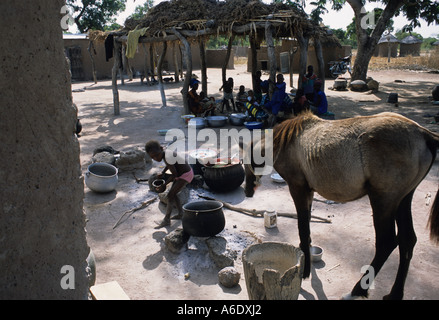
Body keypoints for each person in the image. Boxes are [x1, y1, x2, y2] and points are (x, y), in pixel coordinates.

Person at [145, 140, 194, 229]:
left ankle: (167, 220)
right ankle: (180, 214)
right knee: (172, 194)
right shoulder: (166, 154)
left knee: (170, 195)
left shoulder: (168, 157)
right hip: (182, 173)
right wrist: (163, 172)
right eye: (153, 157)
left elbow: (174, 175)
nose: (156, 158)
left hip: (185, 175)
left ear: (161, 149)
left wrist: (164, 185)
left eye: (156, 155)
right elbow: (169, 166)